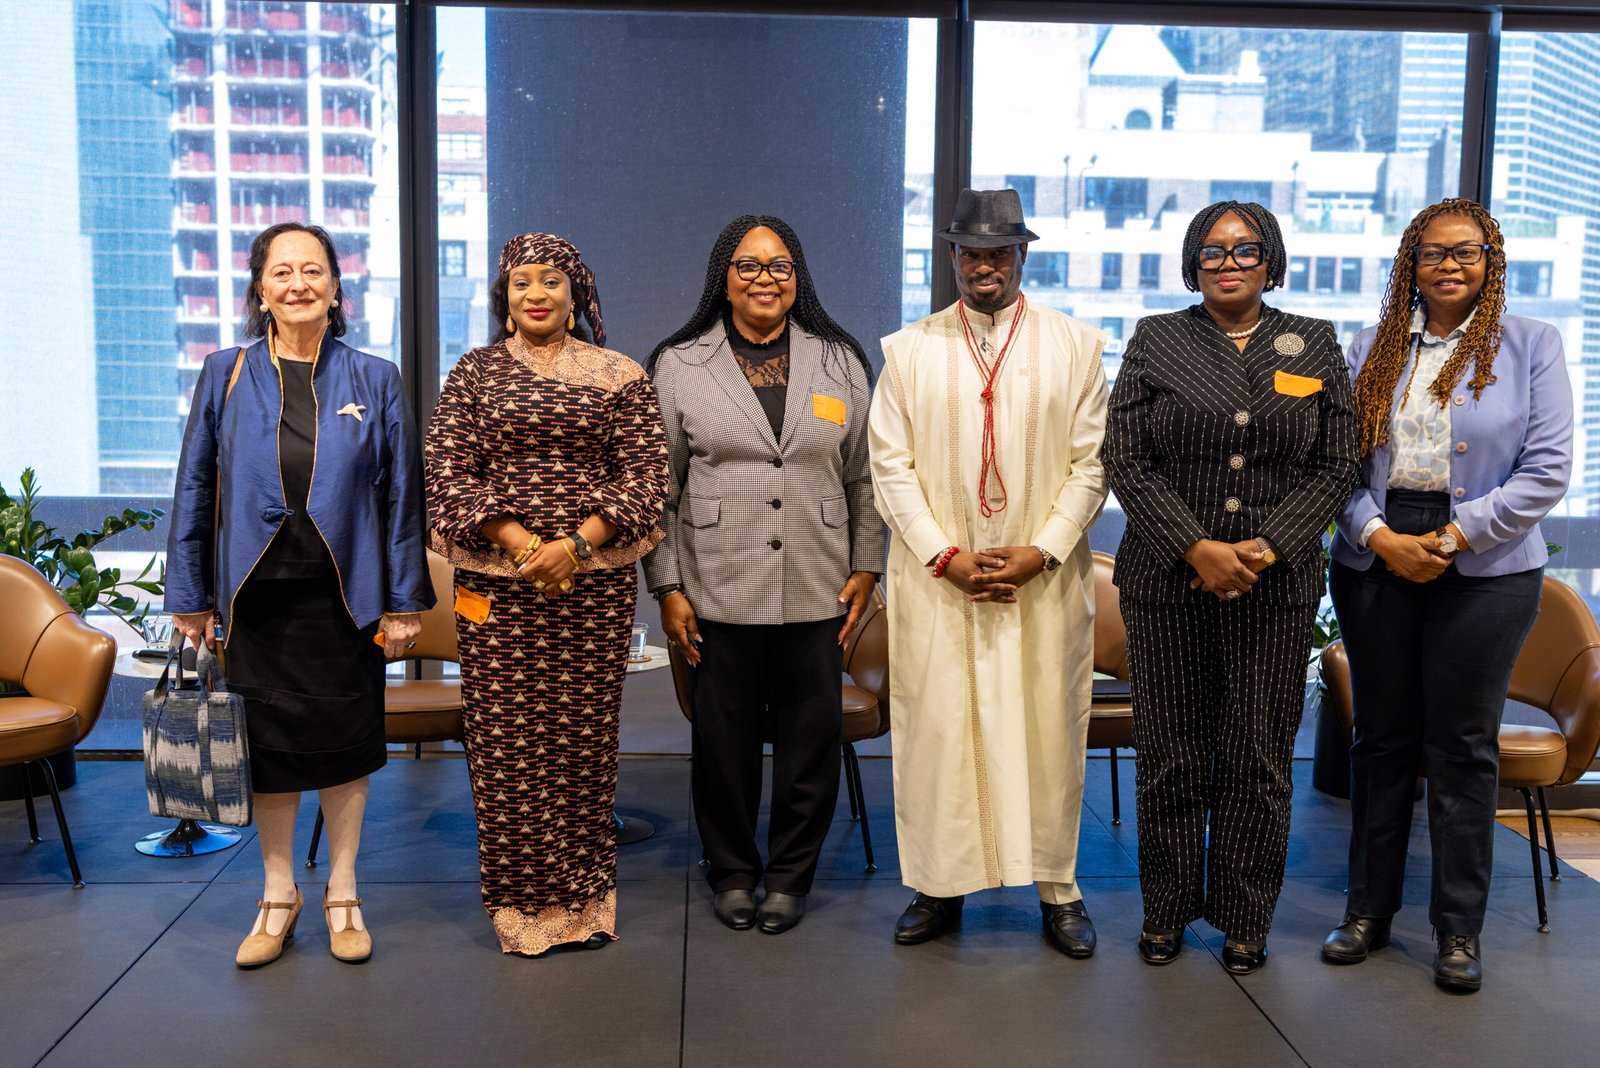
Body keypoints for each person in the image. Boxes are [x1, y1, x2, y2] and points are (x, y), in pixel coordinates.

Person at [166, 222, 434, 968]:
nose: (297, 284)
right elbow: (194, 487)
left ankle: (343, 891)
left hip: (345, 597)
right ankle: (277, 894)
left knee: (346, 745)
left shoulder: (374, 377)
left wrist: (404, 601)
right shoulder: (224, 372)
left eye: (312, 270)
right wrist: (190, 592)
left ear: (336, 287)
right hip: (254, 599)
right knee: (269, 750)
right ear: (261, 290)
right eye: (281, 272)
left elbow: (403, 497)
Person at [1323, 198, 1572, 993]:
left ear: (1491, 262)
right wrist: (1377, 535)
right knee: (1381, 741)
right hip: (1376, 555)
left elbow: (1548, 469)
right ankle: (1368, 911)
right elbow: (1337, 464)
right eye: (1433, 252)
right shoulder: (1371, 347)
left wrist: (1456, 536)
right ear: (1412, 263)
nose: (1450, 265)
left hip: (1486, 565)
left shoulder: (1532, 344)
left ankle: (1458, 928)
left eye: (1467, 252)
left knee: (1463, 746)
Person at [1104, 200, 1359, 974]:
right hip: (1166, 581)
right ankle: (1166, 910)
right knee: (1171, 755)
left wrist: (1264, 547)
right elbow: (1126, 458)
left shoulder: (1314, 340)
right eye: (1212, 252)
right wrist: (1196, 547)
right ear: (1193, 265)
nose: (1228, 263)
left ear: (1270, 260)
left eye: (1245, 250)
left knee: (1258, 758)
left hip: (1274, 589)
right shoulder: (1156, 337)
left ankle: (1247, 919)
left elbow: (1338, 464)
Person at [868, 188, 1109, 956]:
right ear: (952, 257)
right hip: (941, 583)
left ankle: (1059, 889)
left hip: (1043, 582)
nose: (984, 266)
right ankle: (938, 887)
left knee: (1047, 731)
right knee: (939, 732)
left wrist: (1043, 551)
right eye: (970, 252)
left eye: (998, 252)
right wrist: (945, 557)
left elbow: (1092, 465)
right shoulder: (908, 351)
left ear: (1021, 255)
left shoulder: (1076, 347)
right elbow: (889, 469)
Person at [425, 233, 669, 957]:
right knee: (506, 753)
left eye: (551, 281)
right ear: (504, 297)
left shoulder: (620, 373)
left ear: (576, 293)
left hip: (593, 589)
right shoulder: (473, 374)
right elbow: (446, 473)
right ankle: (522, 909)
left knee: (582, 746)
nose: (536, 293)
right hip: (495, 594)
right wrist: (524, 546)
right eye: (522, 281)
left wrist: (575, 547)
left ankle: (585, 903)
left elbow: (647, 477)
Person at [643, 215, 884, 936]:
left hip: (819, 582)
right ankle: (732, 870)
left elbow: (864, 477)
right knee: (725, 745)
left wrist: (867, 566)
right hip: (716, 587)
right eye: (748, 266)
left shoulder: (839, 359)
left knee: (811, 743)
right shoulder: (680, 363)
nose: (764, 279)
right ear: (724, 278)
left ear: (797, 278)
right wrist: (668, 587)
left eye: (779, 266)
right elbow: (660, 489)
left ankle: (789, 875)